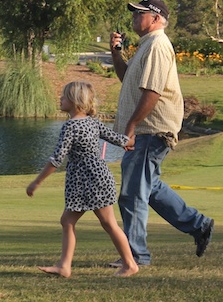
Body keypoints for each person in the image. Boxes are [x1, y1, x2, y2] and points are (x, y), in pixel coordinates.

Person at [108, 0, 214, 267]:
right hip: (149, 130)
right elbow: (127, 78)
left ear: (155, 18)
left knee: (133, 193)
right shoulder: (147, 46)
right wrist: (116, 53)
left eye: (139, 13)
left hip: (150, 130)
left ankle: (135, 256)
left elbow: (152, 93)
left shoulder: (157, 45)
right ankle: (198, 224)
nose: (134, 17)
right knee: (150, 187)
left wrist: (130, 128)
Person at [27, 81, 139, 278]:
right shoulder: (93, 122)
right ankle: (64, 266)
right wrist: (129, 141)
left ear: (74, 101)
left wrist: (37, 182)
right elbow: (117, 138)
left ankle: (129, 264)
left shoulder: (70, 126)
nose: (59, 99)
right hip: (98, 177)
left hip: (87, 180)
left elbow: (57, 159)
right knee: (72, 221)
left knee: (104, 223)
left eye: (63, 96)